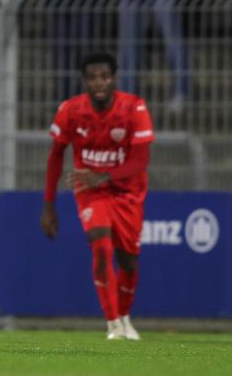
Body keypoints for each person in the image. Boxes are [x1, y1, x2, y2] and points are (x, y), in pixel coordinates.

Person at [41, 52, 153, 341]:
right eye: (92, 78)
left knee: (128, 261)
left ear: (113, 78)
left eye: (104, 77)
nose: (99, 83)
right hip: (90, 191)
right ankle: (113, 324)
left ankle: (125, 317)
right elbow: (55, 157)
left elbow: (140, 161)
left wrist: (103, 175)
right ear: (84, 81)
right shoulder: (70, 110)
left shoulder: (134, 108)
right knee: (101, 248)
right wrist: (49, 205)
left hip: (128, 191)